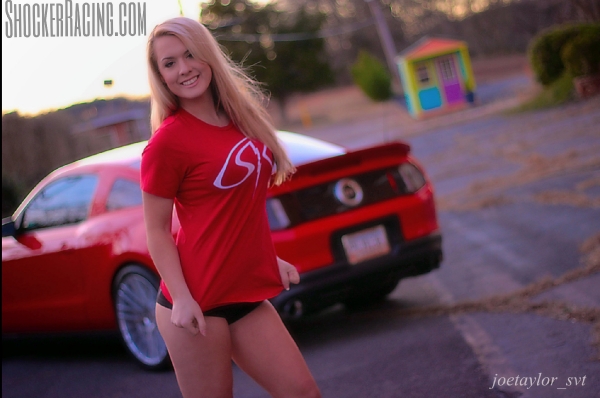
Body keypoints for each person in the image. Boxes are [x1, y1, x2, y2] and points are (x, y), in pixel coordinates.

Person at [141, 17, 321, 398]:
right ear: (160, 75)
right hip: (195, 305)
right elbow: (157, 230)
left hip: (244, 293)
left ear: (208, 55)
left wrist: (267, 258)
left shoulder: (242, 119)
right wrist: (183, 297)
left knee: (303, 392)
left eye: (190, 54)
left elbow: (236, 208)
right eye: (169, 63)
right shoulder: (167, 144)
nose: (184, 68)